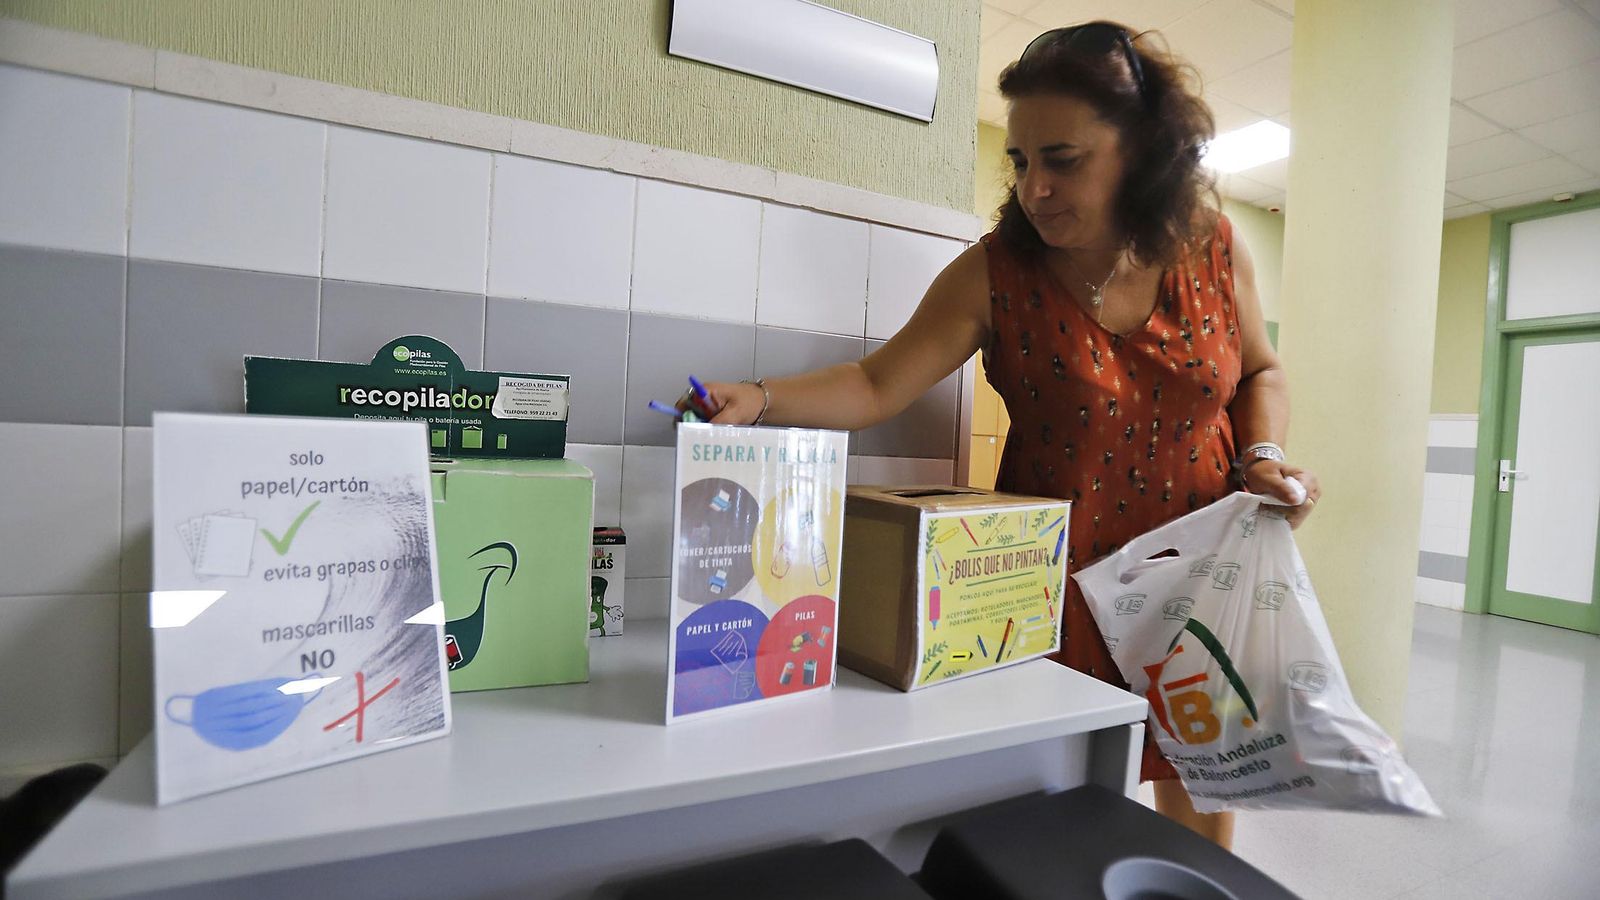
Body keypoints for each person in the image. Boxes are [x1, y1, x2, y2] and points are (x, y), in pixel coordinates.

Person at [690, 21, 1321, 848]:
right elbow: (878, 383)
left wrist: (1264, 457)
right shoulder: (997, 272)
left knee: (1201, 784)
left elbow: (1260, 372)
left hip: (1201, 570)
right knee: (1050, 810)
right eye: (1021, 162)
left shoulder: (1213, 250)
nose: (1035, 189)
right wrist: (761, 398)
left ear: (1141, 151)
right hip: (1052, 581)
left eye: (1063, 159)